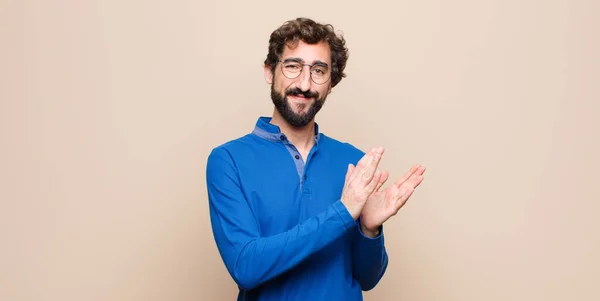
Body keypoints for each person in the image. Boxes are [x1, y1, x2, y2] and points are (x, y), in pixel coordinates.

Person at [206, 17, 426, 301]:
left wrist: (369, 230)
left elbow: (367, 278)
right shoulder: (228, 161)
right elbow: (246, 267)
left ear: (330, 84)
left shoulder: (353, 163)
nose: (305, 84)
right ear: (269, 72)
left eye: (319, 71)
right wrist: (343, 213)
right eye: (293, 66)